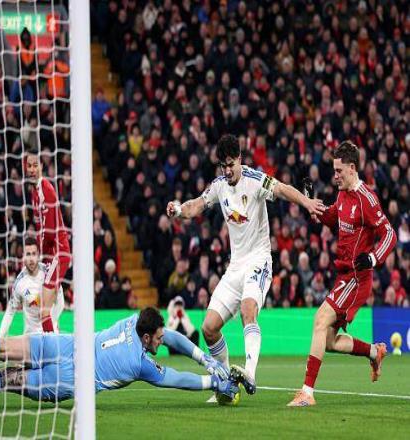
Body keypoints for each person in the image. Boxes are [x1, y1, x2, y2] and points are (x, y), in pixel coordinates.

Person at [166, 134, 325, 401]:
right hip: (236, 266)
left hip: (259, 260)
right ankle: (226, 385)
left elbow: (282, 189)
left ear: (240, 159)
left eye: (231, 164)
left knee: (247, 310)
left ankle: (249, 373)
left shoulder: (255, 180)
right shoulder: (219, 185)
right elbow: (197, 205)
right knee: (209, 328)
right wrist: (179, 209)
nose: (227, 170)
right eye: (223, 166)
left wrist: (307, 202)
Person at [0, 308, 240, 403]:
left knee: (1, 347)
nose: (162, 340)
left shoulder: (134, 320)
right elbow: (175, 379)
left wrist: (204, 358)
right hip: (68, 379)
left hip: (63, 345)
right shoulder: (139, 363)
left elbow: (171, 336)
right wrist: (212, 381)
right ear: (146, 337)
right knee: (4, 380)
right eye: (157, 338)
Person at [287, 140, 397, 407]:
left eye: (339, 170)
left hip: (357, 278)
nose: (334, 175)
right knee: (329, 341)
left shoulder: (366, 199)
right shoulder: (342, 195)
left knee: (319, 320)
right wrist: (312, 204)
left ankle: (307, 393)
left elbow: (389, 234)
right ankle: (374, 352)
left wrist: (373, 258)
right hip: (344, 276)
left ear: (352, 168)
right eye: (334, 170)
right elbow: (332, 218)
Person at [25, 149, 71, 332]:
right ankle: (55, 335)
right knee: (49, 309)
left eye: (35, 165)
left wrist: (39, 256)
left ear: (42, 166)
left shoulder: (46, 190)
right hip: (50, 256)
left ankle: (53, 347)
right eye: (29, 165)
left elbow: (49, 232)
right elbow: (39, 228)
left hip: (58, 253)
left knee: (44, 310)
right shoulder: (35, 193)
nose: (31, 169)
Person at [0, 237, 65, 337]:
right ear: (23, 256)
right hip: (31, 338)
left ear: (38, 255)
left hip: (50, 335)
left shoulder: (50, 274)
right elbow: (10, 312)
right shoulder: (19, 282)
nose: (31, 259)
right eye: (28, 254)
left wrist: (49, 324)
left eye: (34, 254)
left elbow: (61, 303)